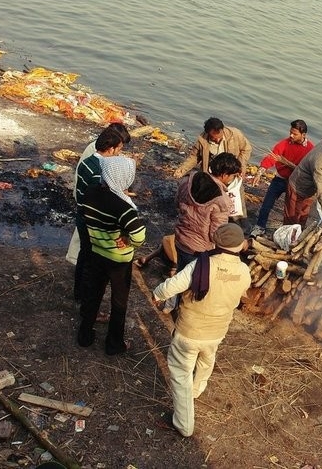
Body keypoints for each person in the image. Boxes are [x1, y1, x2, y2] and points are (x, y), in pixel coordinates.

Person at [152, 223, 251, 437]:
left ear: (215, 241)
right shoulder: (244, 270)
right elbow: (240, 295)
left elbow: (172, 286)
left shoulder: (200, 265)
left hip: (190, 331)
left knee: (180, 373)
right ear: (240, 245)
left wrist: (157, 293)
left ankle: (184, 424)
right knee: (207, 359)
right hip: (217, 332)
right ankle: (197, 389)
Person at [77, 156, 146, 355]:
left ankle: (85, 335)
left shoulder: (90, 193)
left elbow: (84, 212)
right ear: (124, 177)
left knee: (93, 294)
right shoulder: (124, 208)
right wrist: (128, 239)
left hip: (96, 252)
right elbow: (139, 236)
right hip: (119, 260)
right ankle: (114, 343)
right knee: (119, 301)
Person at [73, 127, 130, 306]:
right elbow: (103, 200)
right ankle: (87, 303)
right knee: (93, 264)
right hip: (92, 221)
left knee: (84, 255)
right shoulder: (100, 170)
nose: (119, 153)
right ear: (111, 148)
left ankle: (78, 293)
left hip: (82, 215)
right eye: (119, 149)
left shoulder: (87, 161)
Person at [173, 117, 252, 227]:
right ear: (208, 133)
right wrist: (182, 170)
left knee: (237, 202)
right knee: (214, 201)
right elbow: (195, 157)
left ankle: (240, 225)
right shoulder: (202, 140)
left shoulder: (235, 134)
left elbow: (246, 149)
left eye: (218, 138)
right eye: (213, 139)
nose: (217, 140)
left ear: (222, 130)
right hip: (213, 174)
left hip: (231, 173)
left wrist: (240, 166)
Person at [174, 152, 242, 274]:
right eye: (233, 176)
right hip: (199, 249)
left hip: (180, 239)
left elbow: (177, 203)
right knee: (192, 283)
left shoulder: (189, 179)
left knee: (181, 272)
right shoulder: (221, 201)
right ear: (225, 175)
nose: (232, 179)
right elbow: (217, 234)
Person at [250, 119, 314, 237]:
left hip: (295, 184)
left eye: (294, 134)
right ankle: (260, 227)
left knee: (292, 211)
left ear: (303, 134)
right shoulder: (285, 143)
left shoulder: (310, 149)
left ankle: (289, 233)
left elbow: (308, 170)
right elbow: (271, 157)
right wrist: (259, 173)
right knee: (267, 204)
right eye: (290, 132)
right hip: (279, 179)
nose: (291, 135)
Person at [284, 138, 322, 234]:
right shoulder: (319, 164)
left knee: (302, 218)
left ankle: (296, 238)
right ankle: (286, 242)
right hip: (297, 187)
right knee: (291, 219)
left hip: (309, 191)